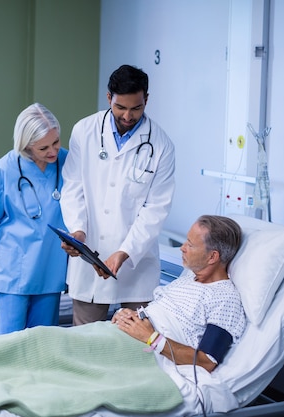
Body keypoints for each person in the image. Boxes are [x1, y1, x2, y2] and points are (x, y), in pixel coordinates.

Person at [60, 64, 176, 325]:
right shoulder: (84, 131)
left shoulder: (161, 145)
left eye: (136, 108)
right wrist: (77, 231)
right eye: (120, 107)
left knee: (138, 343)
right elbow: (73, 186)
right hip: (90, 254)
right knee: (85, 342)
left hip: (137, 262)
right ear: (108, 97)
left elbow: (156, 209)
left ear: (146, 99)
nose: (127, 115)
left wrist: (124, 252)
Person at [0, 102, 68, 335]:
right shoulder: (4, 169)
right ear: (26, 145)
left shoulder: (66, 162)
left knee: (43, 346)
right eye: (43, 147)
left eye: (56, 142)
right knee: (8, 347)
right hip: (13, 274)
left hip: (50, 271)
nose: (53, 152)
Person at [112, 215, 246, 372]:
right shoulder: (187, 279)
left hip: (145, 351)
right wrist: (128, 316)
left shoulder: (225, 299)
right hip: (126, 336)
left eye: (190, 244)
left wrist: (152, 338)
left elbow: (207, 361)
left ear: (212, 256)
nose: (182, 248)